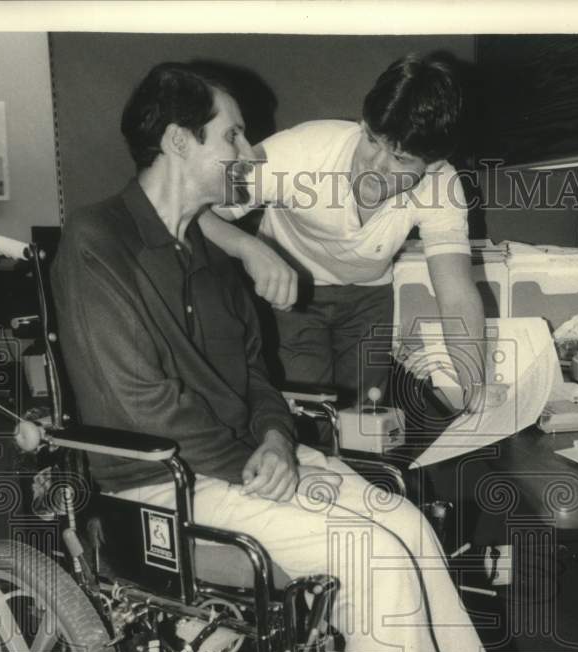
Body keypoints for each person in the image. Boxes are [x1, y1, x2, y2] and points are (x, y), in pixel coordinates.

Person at [52, 61, 578, 652]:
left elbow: (259, 379)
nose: (246, 150)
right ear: (179, 141)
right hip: (163, 483)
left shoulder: (209, 253)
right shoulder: (97, 239)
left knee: (406, 523)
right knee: (371, 556)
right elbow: (139, 407)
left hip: (243, 462)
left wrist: (277, 437)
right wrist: (255, 453)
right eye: (233, 134)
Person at [198, 51, 496, 415]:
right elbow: (195, 210)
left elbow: (456, 295)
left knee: (366, 419)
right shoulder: (301, 151)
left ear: (431, 165)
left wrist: (473, 385)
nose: (376, 165)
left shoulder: (442, 185)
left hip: (369, 297)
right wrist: (249, 248)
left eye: (400, 159)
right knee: (308, 415)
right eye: (372, 140)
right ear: (363, 122)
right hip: (295, 293)